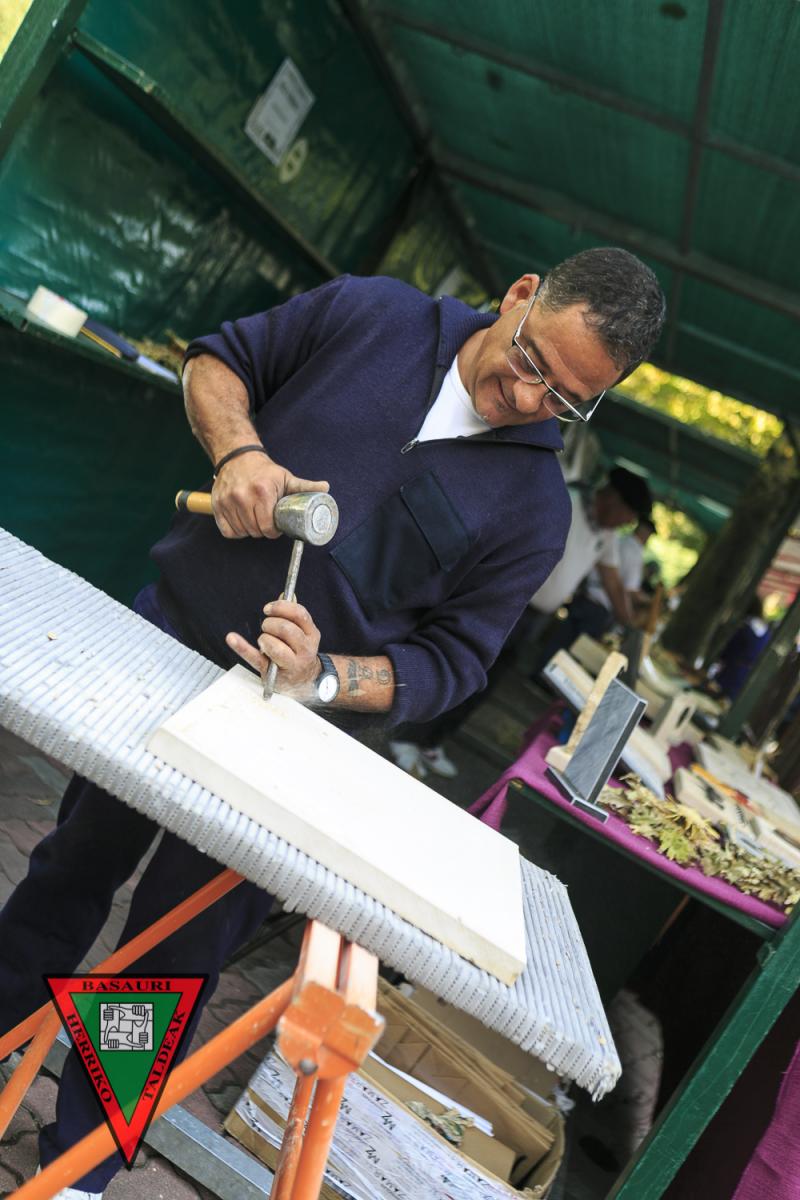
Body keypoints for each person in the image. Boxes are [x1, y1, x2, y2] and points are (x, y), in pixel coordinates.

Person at [0, 248, 665, 1196]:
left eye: (565, 399)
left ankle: (73, 1168)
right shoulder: (375, 314)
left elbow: (453, 663)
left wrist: (326, 678)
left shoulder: (532, 512)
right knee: (74, 864)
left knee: (170, 958)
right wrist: (239, 451)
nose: (527, 398)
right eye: (530, 360)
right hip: (174, 640)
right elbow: (217, 361)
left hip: (295, 743)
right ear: (520, 296)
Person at [391, 466, 653, 777]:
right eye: (627, 516)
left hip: (535, 617)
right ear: (612, 499)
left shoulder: (606, 535)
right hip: (506, 602)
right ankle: (405, 735)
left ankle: (432, 741)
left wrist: (631, 625)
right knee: (458, 668)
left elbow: (612, 582)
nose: (625, 525)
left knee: (484, 685)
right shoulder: (565, 502)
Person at [583, 515, 657, 635]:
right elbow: (630, 590)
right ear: (646, 534)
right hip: (600, 605)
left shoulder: (620, 540)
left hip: (586, 594)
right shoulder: (635, 553)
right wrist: (650, 602)